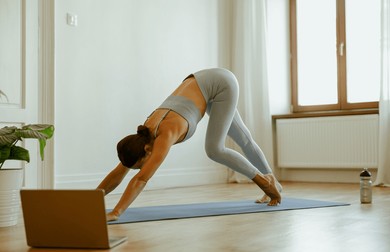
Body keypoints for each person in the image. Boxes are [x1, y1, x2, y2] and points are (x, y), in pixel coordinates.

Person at [97, 68, 282, 221]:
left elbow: (141, 179)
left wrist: (116, 212)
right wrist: (89, 203)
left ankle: (265, 181)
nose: (140, 169)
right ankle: (273, 181)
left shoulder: (165, 134)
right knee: (243, 137)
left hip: (221, 84)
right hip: (206, 83)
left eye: (140, 166)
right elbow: (118, 173)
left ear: (147, 150)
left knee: (214, 149)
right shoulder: (141, 138)